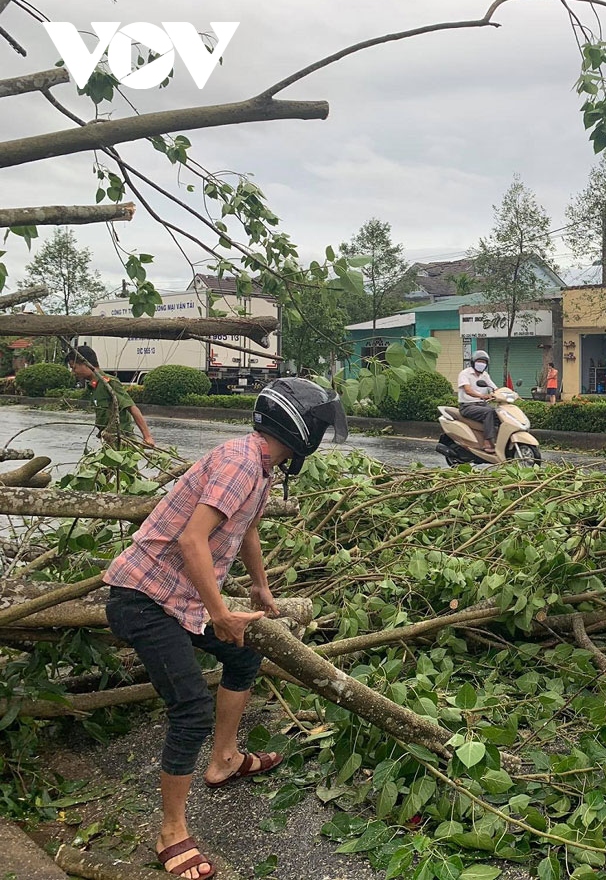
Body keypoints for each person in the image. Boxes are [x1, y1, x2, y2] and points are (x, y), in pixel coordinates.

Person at [104, 378, 347, 879]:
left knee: (241, 656)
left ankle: (225, 759)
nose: (320, 434)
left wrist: (259, 588)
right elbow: (194, 541)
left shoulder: (262, 467)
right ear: (298, 427)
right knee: (190, 706)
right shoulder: (240, 463)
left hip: (178, 598)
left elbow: (247, 528)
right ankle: (171, 832)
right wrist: (220, 612)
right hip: (144, 598)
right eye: (319, 425)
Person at [67, 344, 155, 446]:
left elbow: (132, 407)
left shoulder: (109, 383)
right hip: (109, 440)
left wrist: (147, 437)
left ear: (86, 364)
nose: (73, 372)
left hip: (123, 440)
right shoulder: (93, 387)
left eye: (74, 368)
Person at [457, 350, 499, 454]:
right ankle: (487, 442)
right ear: (473, 362)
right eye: (479, 361)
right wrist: (482, 396)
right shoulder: (465, 373)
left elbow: (494, 388)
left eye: (484, 362)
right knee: (488, 412)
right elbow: (468, 390)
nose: (482, 364)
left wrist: (508, 394)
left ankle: (500, 441)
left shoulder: (485, 375)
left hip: (482, 405)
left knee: (500, 413)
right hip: (467, 406)